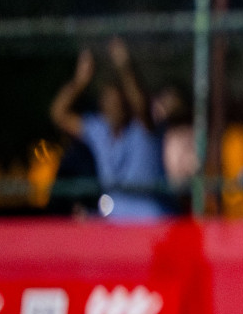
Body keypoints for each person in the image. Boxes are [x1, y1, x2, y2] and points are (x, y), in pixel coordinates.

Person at [49, 38, 170, 220]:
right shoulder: (99, 130)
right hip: (115, 224)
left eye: (119, 102)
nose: (114, 107)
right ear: (102, 105)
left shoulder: (145, 127)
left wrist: (125, 67)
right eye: (108, 102)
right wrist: (80, 80)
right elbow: (59, 114)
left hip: (151, 222)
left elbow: (142, 105)